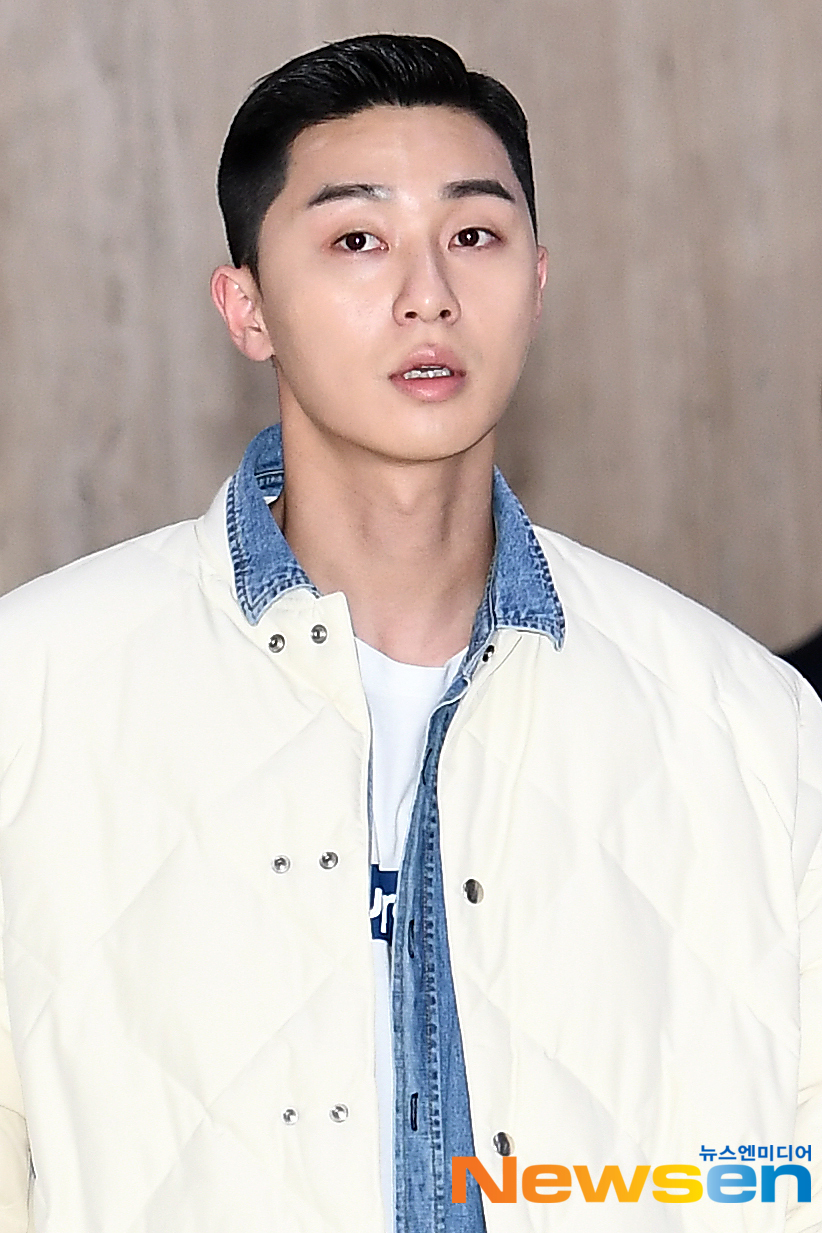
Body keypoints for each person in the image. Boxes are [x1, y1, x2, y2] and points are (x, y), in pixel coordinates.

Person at [0, 32, 819, 1233]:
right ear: (247, 309)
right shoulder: (37, 690)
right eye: (356, 240)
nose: (427, 290)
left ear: (537, 281)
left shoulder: (748, 723)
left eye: (474, 235)